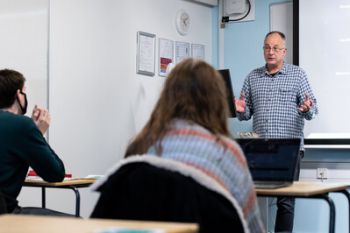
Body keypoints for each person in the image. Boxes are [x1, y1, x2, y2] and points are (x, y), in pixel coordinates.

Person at [125, 58, 265, 233]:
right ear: (217, 100)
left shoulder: (139, 147)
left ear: (167, 97)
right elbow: (251, 226)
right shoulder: (227, 153)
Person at [235, 31, 318, 232]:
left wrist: (308, 108)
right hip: (259, 149)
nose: (270, 52)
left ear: (284, 51)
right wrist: (239, 110)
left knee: (286, 202)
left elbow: (313, 109)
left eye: (275, 48)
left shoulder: (298, 75)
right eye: (267, 47)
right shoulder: (252, 77)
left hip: (288, 149)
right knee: (252, 198)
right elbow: (246, 114)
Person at [0, 69, 70, 216]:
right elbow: (55, 174)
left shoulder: (21, 127)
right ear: (19, 95)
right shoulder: (22, 125)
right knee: (77, 223)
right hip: (5, 215)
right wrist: (37, 132)